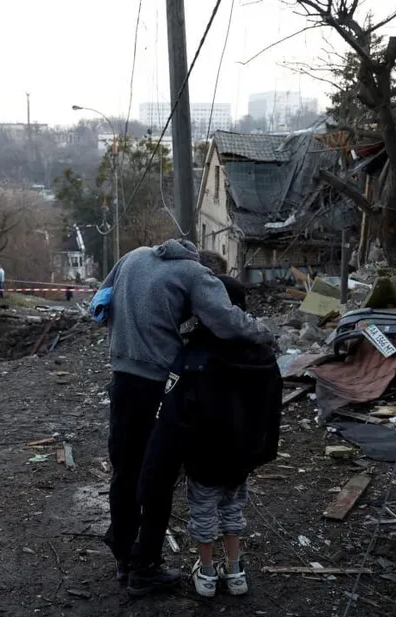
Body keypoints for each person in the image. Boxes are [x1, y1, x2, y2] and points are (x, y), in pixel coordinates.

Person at [95, 239, 273, 597]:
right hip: (159, 386)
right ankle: (145, 568)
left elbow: (100, 301)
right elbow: (226, 321)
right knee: (157, 476)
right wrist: (265, 333)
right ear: (205, 266)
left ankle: (123, 556)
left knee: (125, 469)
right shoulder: (194, 273)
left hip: (122, 378)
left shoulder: (133, 256)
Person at [169, 274, 281, 598]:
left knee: (203, 509)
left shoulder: (197, 352)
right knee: (234, 508)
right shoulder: (261, 354)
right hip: (242, 452)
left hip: (204, 453)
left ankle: (205, 573)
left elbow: (180, 405)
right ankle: (234, 572)